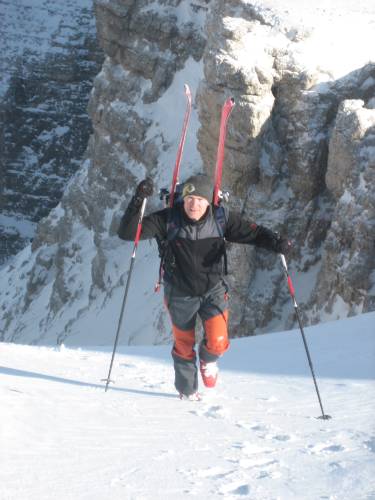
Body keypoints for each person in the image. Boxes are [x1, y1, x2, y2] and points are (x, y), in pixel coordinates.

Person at [118, 173, 291, 400]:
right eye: (189, 198)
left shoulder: (221, 219)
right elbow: (128, 233)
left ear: (209, 202)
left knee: (218, 342)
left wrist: (275, 242)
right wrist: (138, 199)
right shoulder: (167, 219)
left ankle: (208, 360)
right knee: (183, 345)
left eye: (200, 200)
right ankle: (187, 391)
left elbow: (254, 233)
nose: (194, 204)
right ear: (182, 198)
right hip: (179, 293)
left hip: (213, 290)